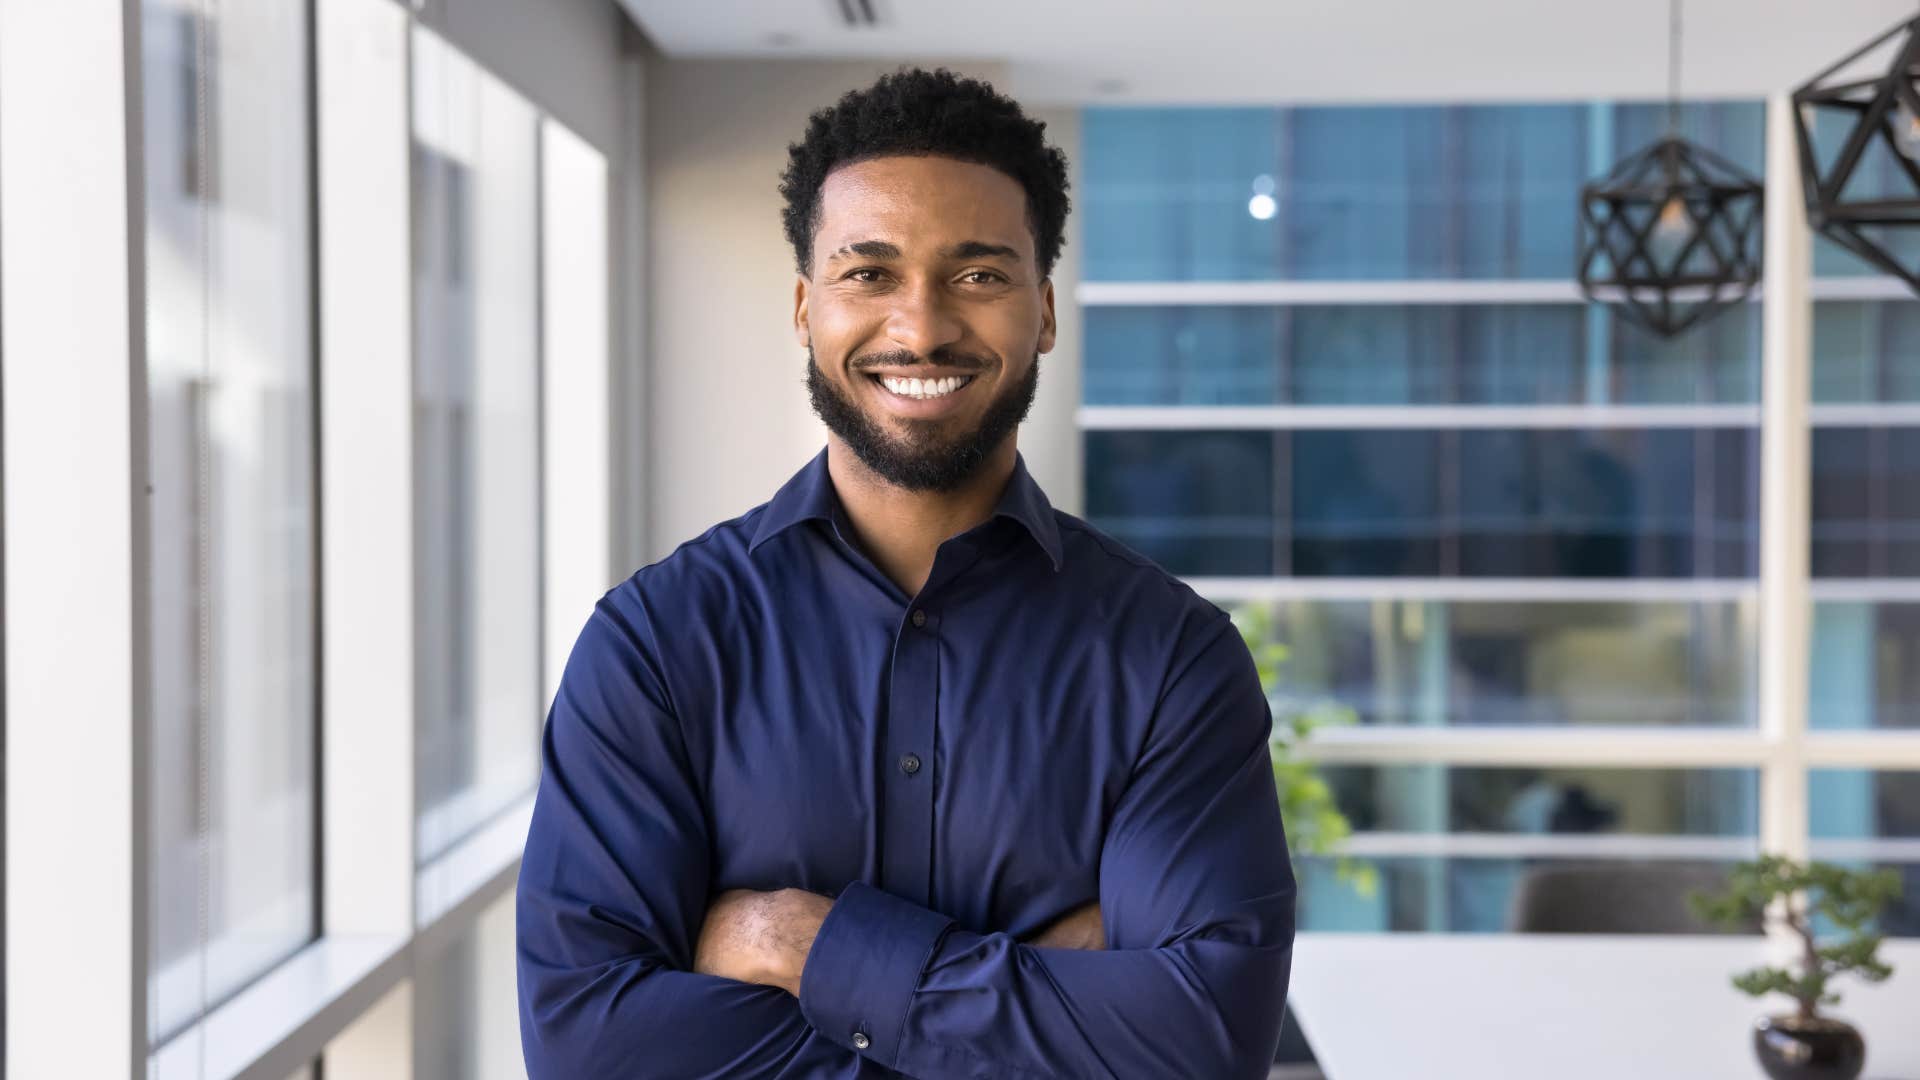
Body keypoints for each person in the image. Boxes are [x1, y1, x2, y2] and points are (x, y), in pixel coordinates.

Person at [515, 66, 1296, 1079]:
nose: (921, 327)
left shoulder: (1170, 660)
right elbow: (588, 1047)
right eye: (868, 272)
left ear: (1045, 311)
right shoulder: (656, 646)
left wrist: (804, 948)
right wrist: (1040, 1010)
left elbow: (1203, 1043)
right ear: (807, 307)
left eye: (978, 275)